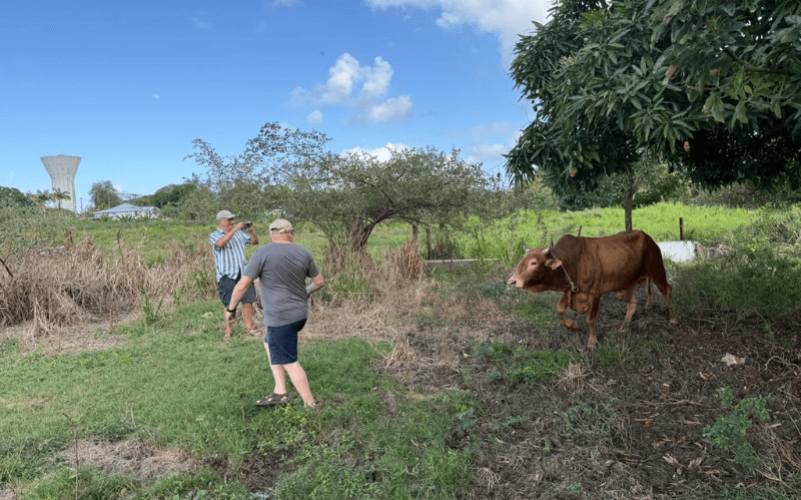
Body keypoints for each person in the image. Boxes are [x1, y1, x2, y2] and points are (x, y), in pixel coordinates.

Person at [227, 218, 325, 407]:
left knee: (289, 360)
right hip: (299, 314)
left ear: (272, 234)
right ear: (290, 233)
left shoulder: (262, 252)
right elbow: (319, 282)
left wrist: (230, 309)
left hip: (281, 317)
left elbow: (242, 285)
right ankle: (280, 391)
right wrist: (305, 292)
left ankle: (311, 405)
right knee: (268, 342)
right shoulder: (303, 252)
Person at [209, 209, 259, 340]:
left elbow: (254, 242)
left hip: (243, 272)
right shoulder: (214, 235)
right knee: (229, 303)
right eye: (229, 220)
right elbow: (220, 244)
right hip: (227, 275)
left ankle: (249, 328)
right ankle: (229, 330)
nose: (232, 222)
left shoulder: (239, 234)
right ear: (221, 221)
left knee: (248, 301)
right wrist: (235, 229)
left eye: (233, 220)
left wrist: (251, 231)